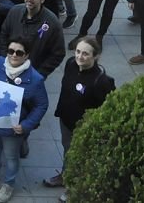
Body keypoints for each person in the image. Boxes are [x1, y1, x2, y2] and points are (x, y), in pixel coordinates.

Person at [0, 36, 49, 203]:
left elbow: (41, 105)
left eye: (19, 52)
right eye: (10, 51)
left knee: (11, 156)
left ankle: (8, 183)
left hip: (13, 128)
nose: (13, 55)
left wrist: (26, 125)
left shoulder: (36, 79)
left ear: (26, 55)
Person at [43, 37, 115, 200]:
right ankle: (65, 176)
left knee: (81, 156)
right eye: (77, 51)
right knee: (68, 150)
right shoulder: (70, 64)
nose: (79, 56)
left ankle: (74, 187)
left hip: (84, 127)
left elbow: (107, 107)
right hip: (66, 120)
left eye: (85, 54)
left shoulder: (102, 80)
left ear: (96, 56)